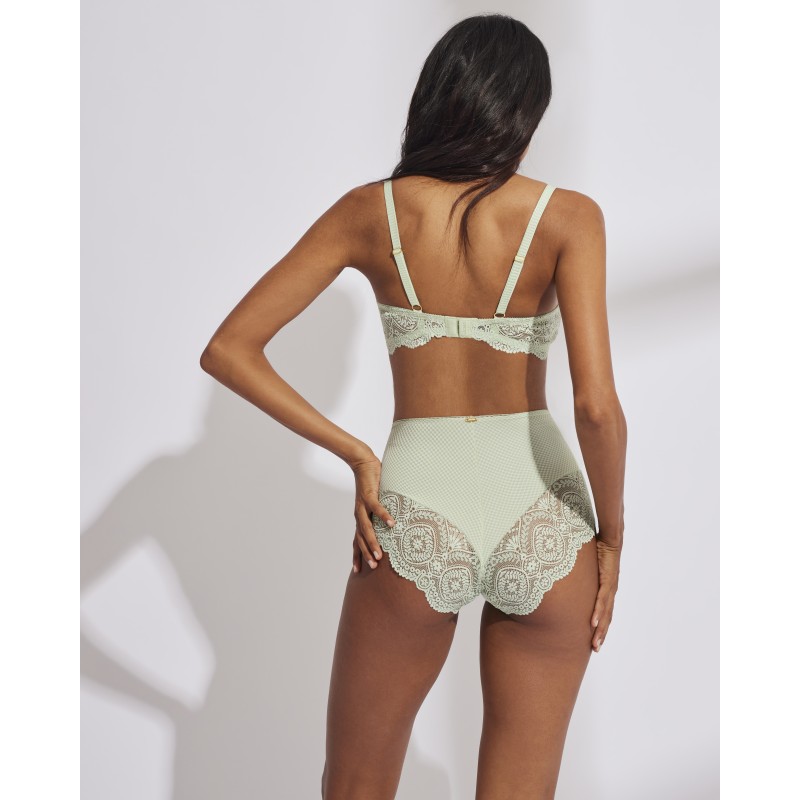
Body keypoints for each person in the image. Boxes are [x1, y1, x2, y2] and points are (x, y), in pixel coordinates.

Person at [200, 12, 626, 800]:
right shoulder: (569, 217)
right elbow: (596, 407)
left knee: (354, 787)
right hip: (549, 510)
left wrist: (358, 453)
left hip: (418, 507)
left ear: (438, 96)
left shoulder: (372, 212)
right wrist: (611, 537)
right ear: (523, 112)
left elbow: (230, 348)